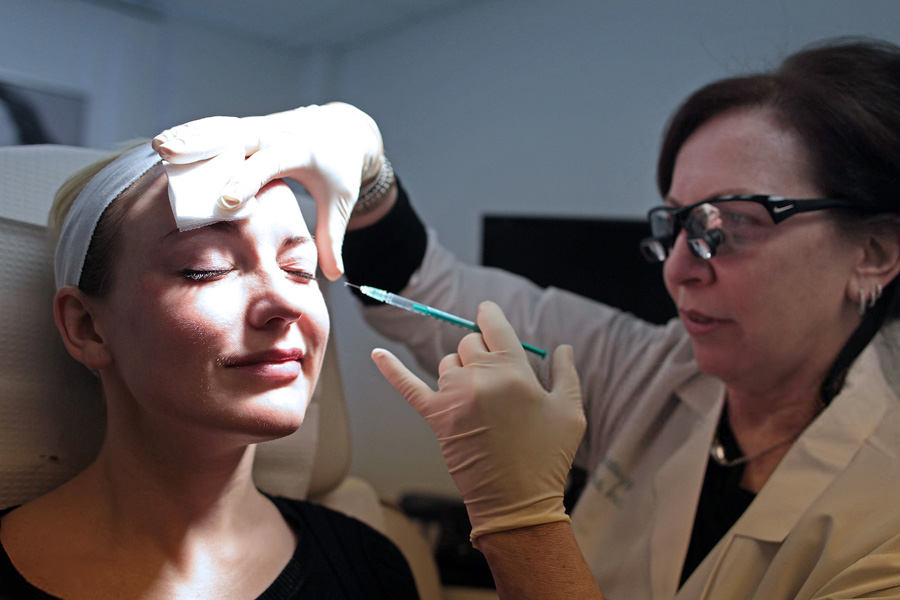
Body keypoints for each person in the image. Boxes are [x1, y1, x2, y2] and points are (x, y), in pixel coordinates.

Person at [150, 37, 900, 599]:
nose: (677, 268)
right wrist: (371, 186)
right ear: (92, 329)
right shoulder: (658, 370)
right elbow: (433, 290)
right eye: (675, 224)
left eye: (727, 225)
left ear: (875, 251)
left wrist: (522, 520)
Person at [0, 134, 419, 598]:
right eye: (207, 267)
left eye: (300, 269)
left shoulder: (371, 569)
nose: (286, 303)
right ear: (87, 327)